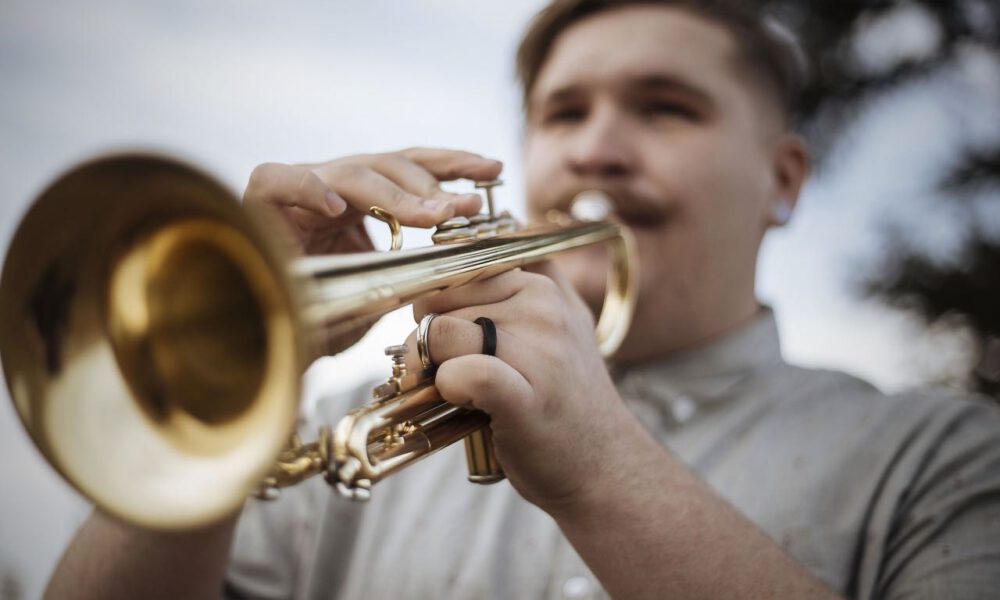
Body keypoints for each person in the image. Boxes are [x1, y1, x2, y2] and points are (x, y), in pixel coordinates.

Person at [43, 1, 1000, 599]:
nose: (595, 150)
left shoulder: (946, 458)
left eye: (667, 106)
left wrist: (605, 474)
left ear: (783, 179)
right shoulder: (344, 429)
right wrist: (230, 368)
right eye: (563, 113)